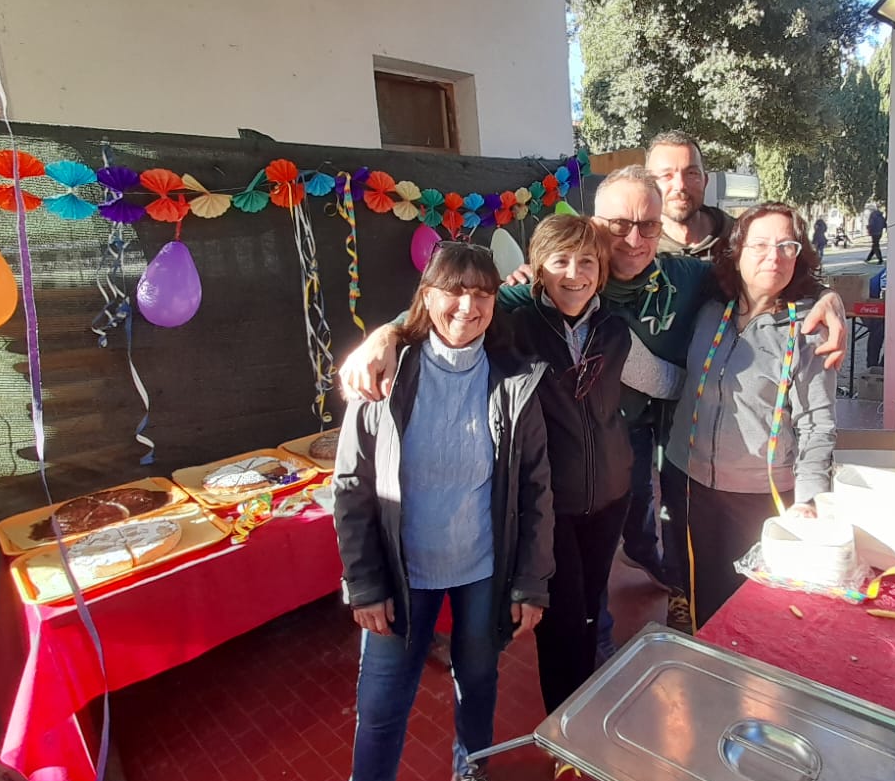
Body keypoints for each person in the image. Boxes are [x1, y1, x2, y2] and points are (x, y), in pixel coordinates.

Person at [339, 167, 849, 637]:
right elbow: (455, 308)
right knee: (597, 591)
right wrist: (387, 335)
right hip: (573, 468)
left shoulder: (689, 281)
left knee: (733, 588)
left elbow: (761, 281)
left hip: (645, 451)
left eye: (648, 226)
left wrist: (826, 297)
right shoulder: (531, 299)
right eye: (620, 224)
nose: (635, 239)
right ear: (593, 226)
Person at [333, 243, 554, 781]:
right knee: (382, 704)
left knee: (477, 681)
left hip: (481, 569)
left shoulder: (514, 381)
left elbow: (535, 489)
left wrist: (531, 581)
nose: (467, 306)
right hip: (402, 576)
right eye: (453, 291)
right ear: (427, 297)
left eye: (481, 293)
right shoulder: (384, 376)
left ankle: (471, 765)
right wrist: (364, 584)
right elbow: (352, 487)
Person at [663, 203, 837, 629]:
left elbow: (818, 424)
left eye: (786, 245)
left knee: (760, 611)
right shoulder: (708, 310)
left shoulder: (808, 328)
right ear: (737, 251)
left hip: (762, 496)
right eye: (759, 245)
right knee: (701, 595)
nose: (773, 256)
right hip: (689, 483)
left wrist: (809, 500)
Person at [507, 215, 632, 718]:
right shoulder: (515, 327)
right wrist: (386, 338)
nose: (574, 274)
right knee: (560, 620)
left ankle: (588, 705)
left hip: (610, 497)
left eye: (586, 261)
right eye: (560, 261)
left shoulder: (615, 329)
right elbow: (447, 312)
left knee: (590, 607)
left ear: (601, 270)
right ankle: (567, 725)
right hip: (550, 505)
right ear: (538, 269)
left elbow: (661, 380)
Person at [649, 130, 733, 259]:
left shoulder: (740, 238)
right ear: (648, 184)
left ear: (705, 181)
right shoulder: (637, 248)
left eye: (691, 173)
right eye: (666, 175)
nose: (680, 186)